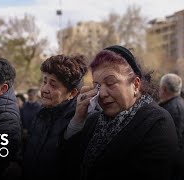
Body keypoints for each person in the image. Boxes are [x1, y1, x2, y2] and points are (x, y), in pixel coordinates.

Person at [61, 45, 178, 180]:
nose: (102, 93)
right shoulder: (93, 121)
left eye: (110, 83)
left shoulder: (157, 123)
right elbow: (67, 165)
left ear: (135, 84)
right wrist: (77, 121)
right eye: (97, 86)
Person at [23, 54, 88, 179]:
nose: (45, 89)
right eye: (45, 81)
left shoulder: (78, 123)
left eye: (53, 85)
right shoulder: (40, 115)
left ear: (72, 93)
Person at [159, 73, 184, 179]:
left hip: (173, 168)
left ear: (164, 89)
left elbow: (173, 142)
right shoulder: (180, 104)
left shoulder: (171, 110)